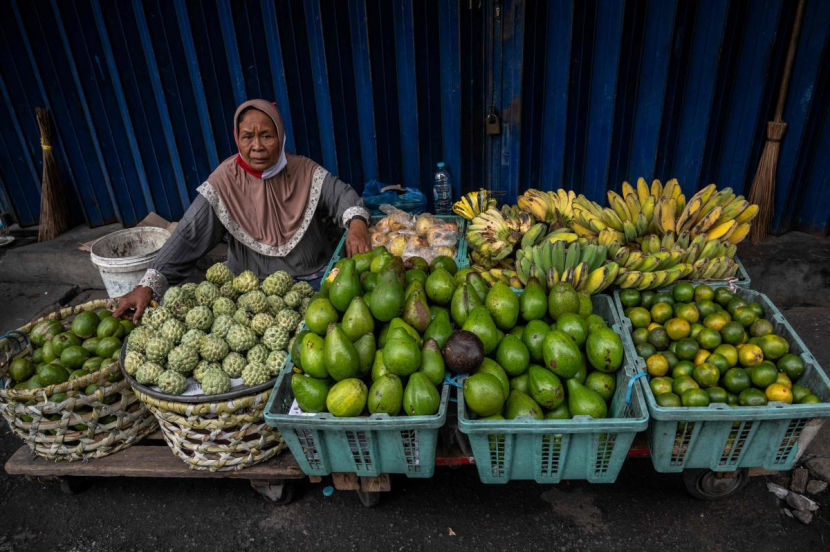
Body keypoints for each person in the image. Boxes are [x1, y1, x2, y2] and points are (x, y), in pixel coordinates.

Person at [114, 99, 370, 323]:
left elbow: (341, 195)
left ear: (281, 137)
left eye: (266, 136)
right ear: (237, 139)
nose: (257, 146)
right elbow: (189, 234)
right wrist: (148, 285)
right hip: (253, 296)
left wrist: (357, 224)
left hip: (313, 281)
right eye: (248, 137)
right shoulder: (225, 181)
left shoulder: (303, 170)